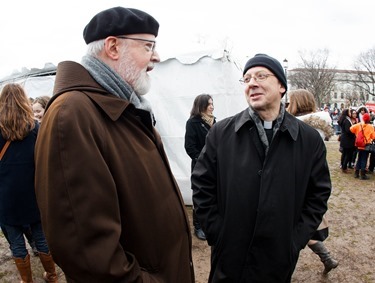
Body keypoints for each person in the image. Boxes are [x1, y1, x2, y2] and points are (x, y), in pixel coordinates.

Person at [34, 7, 194, 283]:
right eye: (148, 46)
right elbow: (87, 252)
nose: (156, 57)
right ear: (113, 47)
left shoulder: (127, 109)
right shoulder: (72, 114)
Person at [191, 53, 332, 282]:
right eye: (246, 79)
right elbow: (202, 184)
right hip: (229, 254)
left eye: (261, 75)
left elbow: (318, 193)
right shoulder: (221, 132)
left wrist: (295, 239)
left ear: (281, 86)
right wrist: (217, 231)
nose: (252, 83)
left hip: (278, 256)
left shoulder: (308, 140)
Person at [0, 83, 57, 283]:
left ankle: (27, 281)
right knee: (41, 238)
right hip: (33, 193)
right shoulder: (36, 128)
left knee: (16, 243)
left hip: (6, 196)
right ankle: (52, 275)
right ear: (24, 101)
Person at [287, 89, 338, 274]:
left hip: (297, 182)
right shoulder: (320, 124)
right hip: (313, 180)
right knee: (306, 225)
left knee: (295, 227)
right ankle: (327, 258)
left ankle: (325, 258)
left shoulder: (299, 127)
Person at [184, 94, 216, 241]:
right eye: (209, 104)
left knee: (214, 195)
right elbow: (189, 147)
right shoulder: (193, 123)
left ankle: (210, 223)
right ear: (201, 105)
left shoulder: (214, 121)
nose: (212, 106)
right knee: (200, 196)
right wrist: (202, 161)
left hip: (216, 166)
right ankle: (199, 226)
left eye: (212, 103)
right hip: (200, 167)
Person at [350, 112, 375, 180]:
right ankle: (363, 174)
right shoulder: (370, 127)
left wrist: (357, 133)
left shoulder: (359, 125)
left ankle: (356, 173)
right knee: (364, 159)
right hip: (366, 145)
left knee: (359, 158)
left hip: (359, 144)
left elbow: (351, 129)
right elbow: (373, 137)